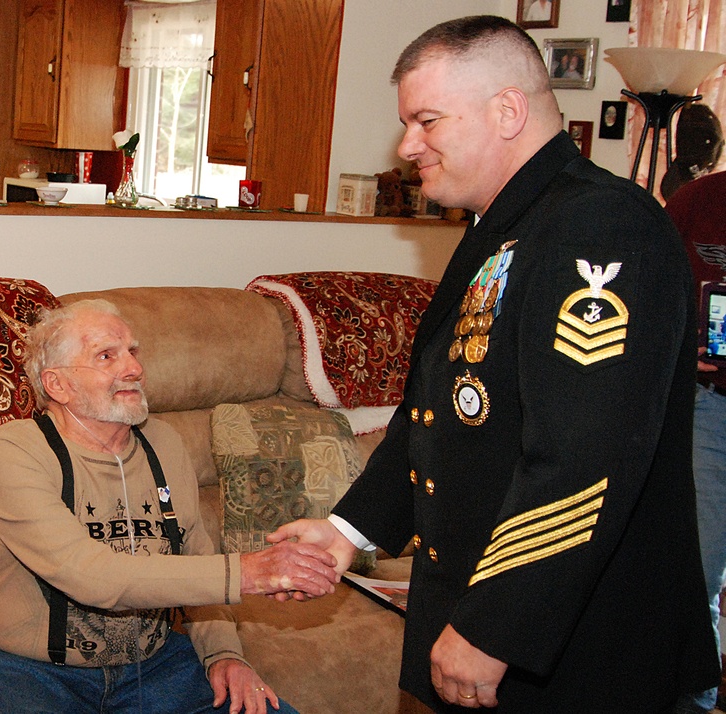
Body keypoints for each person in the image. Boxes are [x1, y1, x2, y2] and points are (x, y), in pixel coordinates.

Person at [270, 15, 720, 713]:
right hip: (490, 618)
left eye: (426, 121)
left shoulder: (600, 226)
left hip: (573, 652)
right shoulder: (506, 223)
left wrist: (496, 625)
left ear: (506, 110)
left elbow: (582, 457)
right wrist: (346, 532)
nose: (407, 144)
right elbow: (438, 410)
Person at [0, 299, 339, 714]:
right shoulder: (16, 450)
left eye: (133, 352)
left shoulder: (163, 443)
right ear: (58, 385)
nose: (134, 369)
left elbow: (195, 555)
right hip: (31, 672)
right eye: (107, 355)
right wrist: (251, 571)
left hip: (154, 663)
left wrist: (224, 655)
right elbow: (90, 576)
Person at [665, 169, 726, 714]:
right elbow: (650, 285)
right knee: (697, 568)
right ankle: (690, 701)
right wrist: (682, 341)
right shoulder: (700, 200)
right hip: (710, 408)